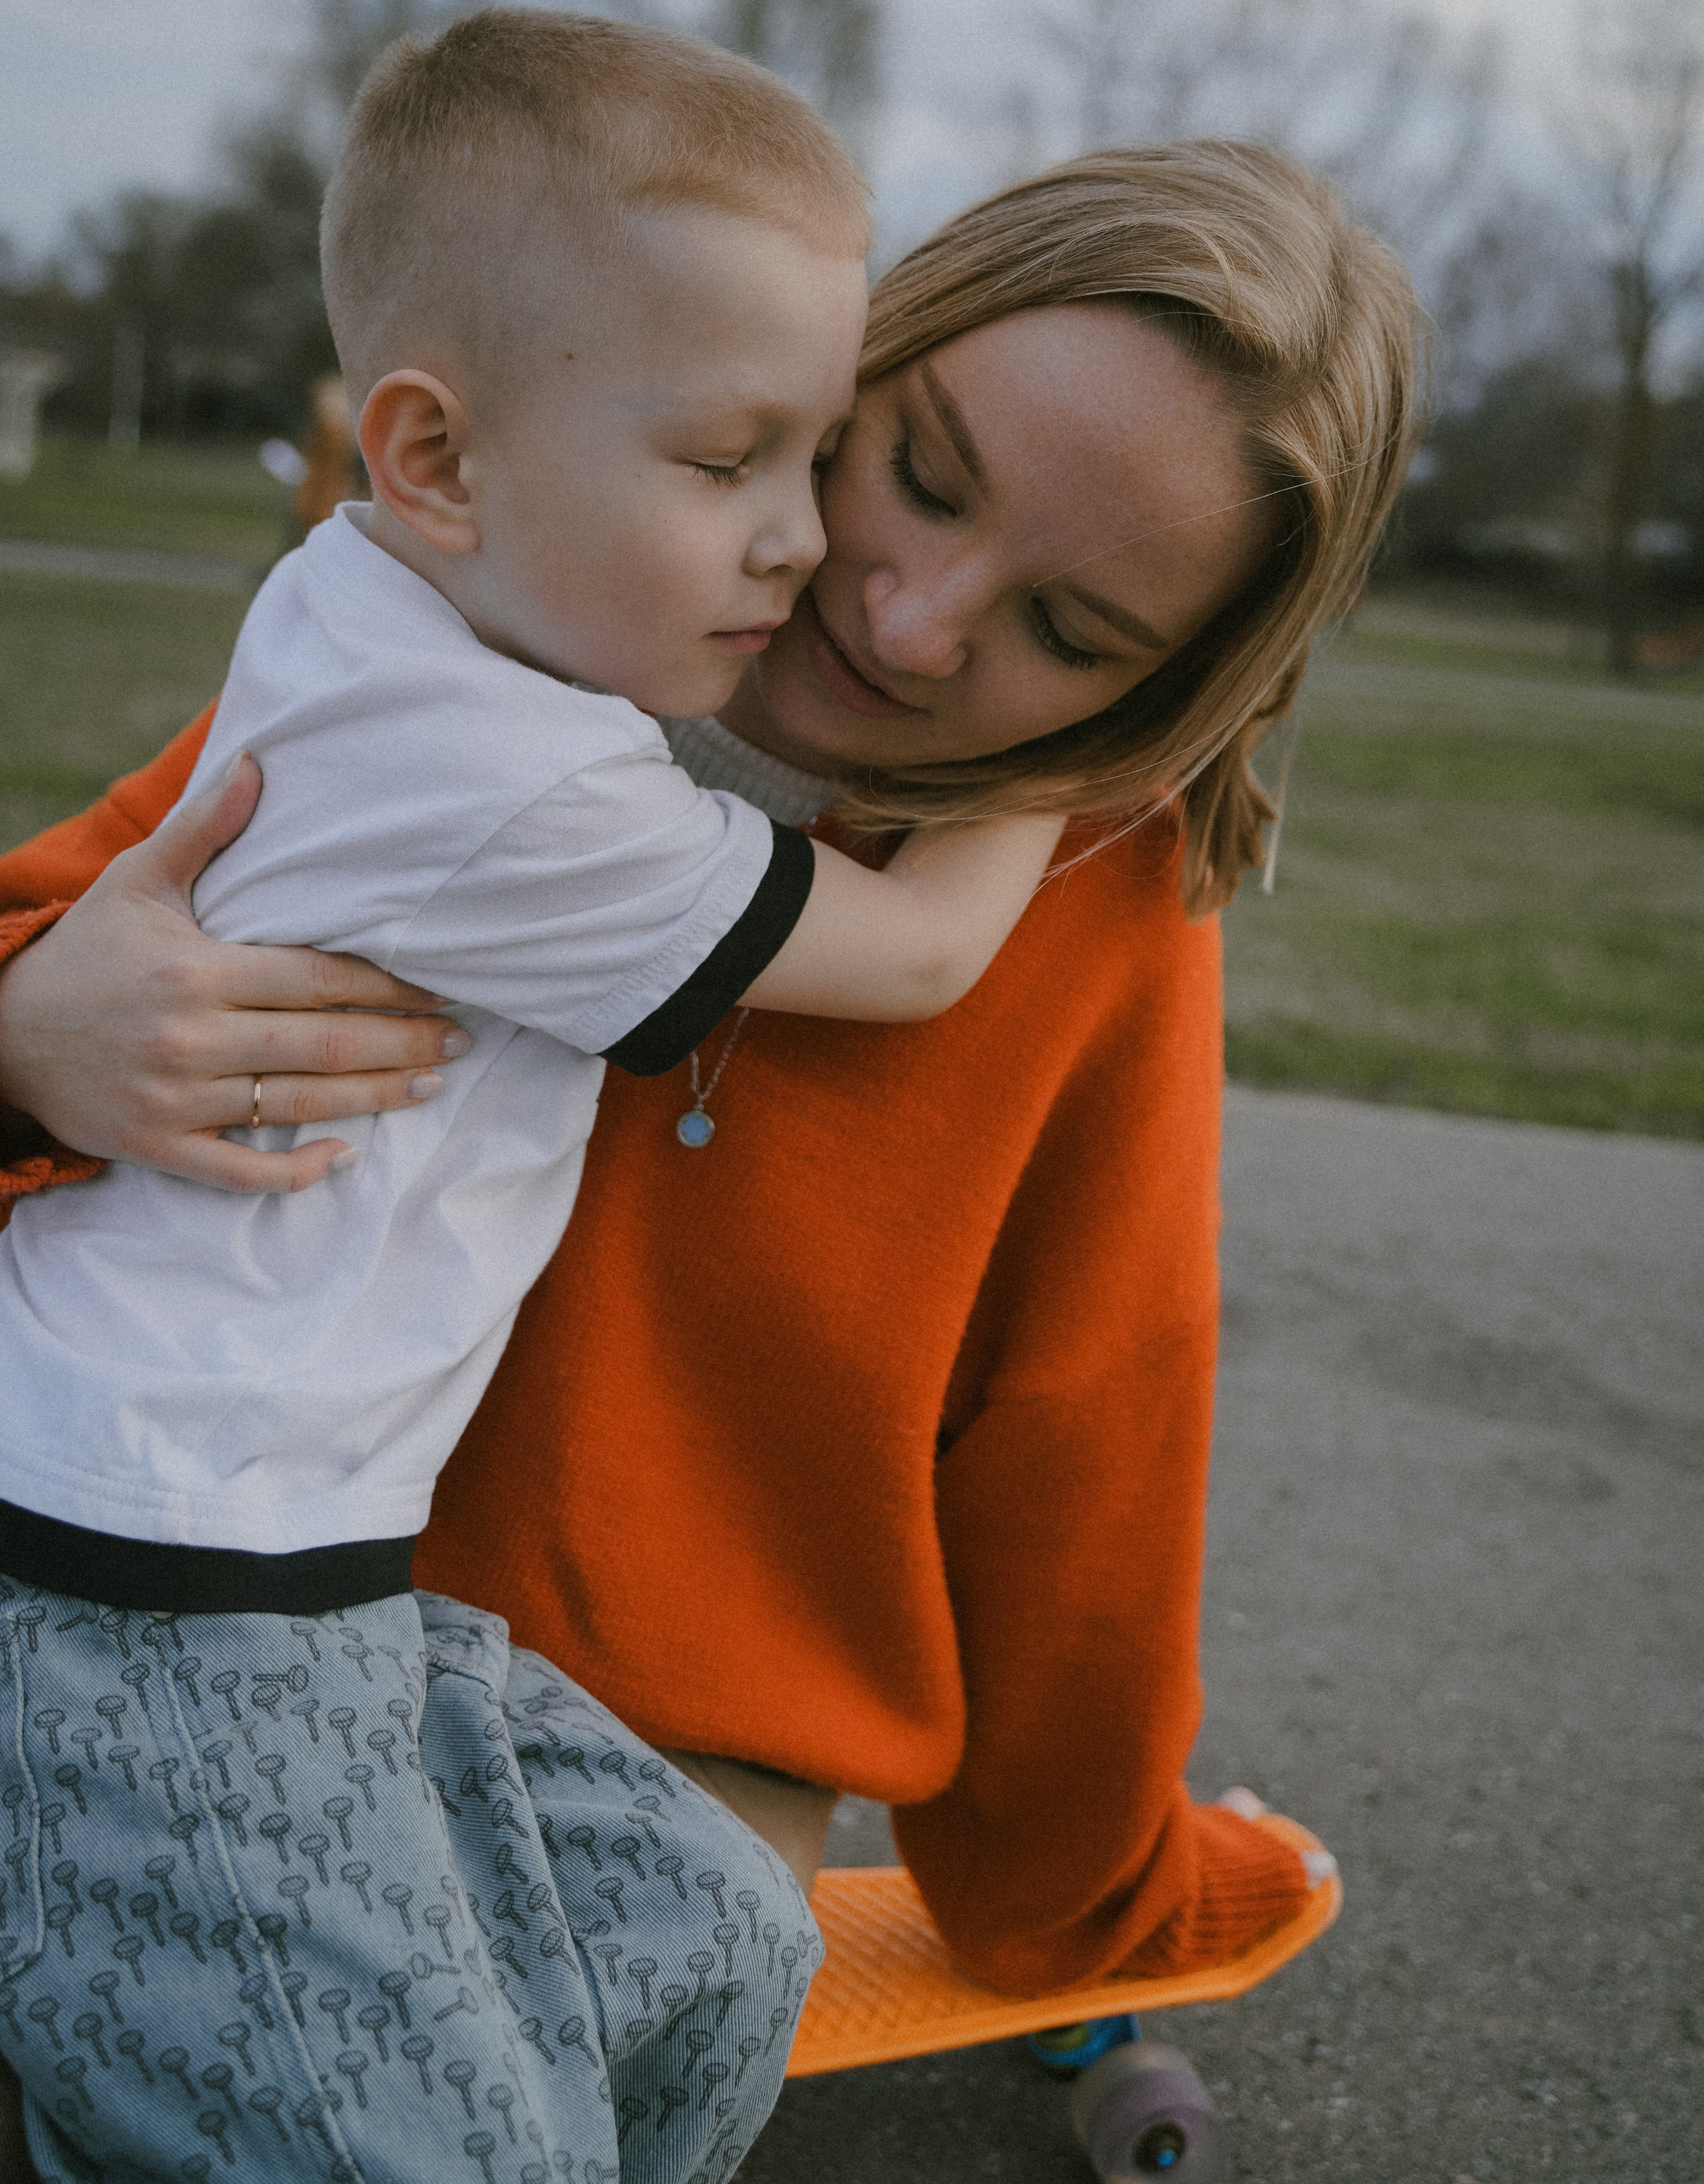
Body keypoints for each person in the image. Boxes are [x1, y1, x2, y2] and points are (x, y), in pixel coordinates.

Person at [0, 136, 1419, 2064]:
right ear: (842, 352)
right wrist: (29, 1027)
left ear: (1174, 687)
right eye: (922, 474)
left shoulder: (1098, 899)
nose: (913, 624)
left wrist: (1084, 1895)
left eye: (1072, 635)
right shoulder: (494, 635)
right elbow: (56, 918)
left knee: (530, 2029)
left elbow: (1089, 1432)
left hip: (639, 1747)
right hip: (149, 1581)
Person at [0, 17, 1070, 2184]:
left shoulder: (379, 611)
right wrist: (1104, 743)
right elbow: (924, 952)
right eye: (726, 461)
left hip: (287, 1564)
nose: (801, 544)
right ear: (436, 456)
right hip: (141, 1588)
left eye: (822, 455)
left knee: (714, 1940)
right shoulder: (510, 784)